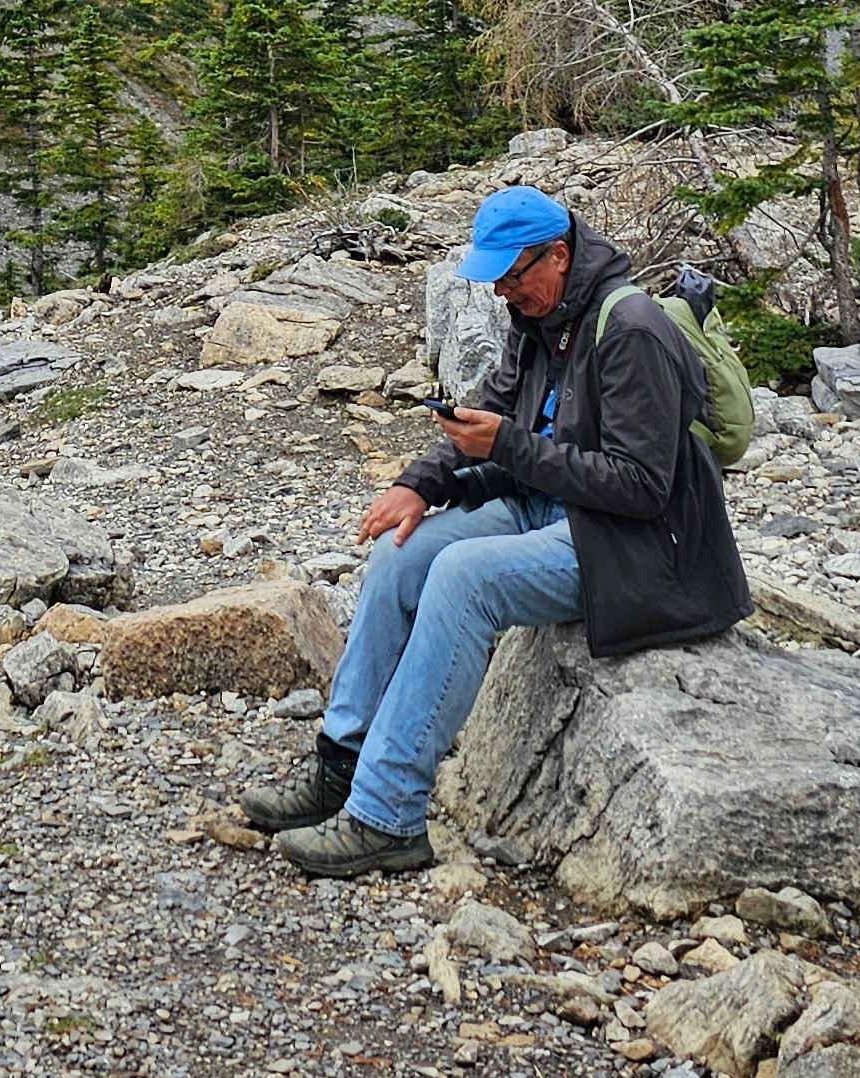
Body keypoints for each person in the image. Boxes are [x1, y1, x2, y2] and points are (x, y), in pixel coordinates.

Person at [243, 184, 751, 880]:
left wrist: (509, 447)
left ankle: (386, 816)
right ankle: (341, 764)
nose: (506, 294)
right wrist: (417, 484)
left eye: (514, 277)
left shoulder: (631, 330)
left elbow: (640, 487)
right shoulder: (538, 319)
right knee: (404, 553)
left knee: (463, 577)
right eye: (497, 281)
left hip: (632, 546)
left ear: (560, 256)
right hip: (547, 508)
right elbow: (489, 413)